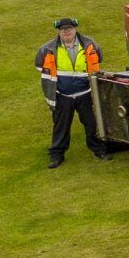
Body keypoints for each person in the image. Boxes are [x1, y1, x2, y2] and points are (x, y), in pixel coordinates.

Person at [35, 17, 113, 168]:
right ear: (59, 31)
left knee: (92, 124)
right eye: (63, 30)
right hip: (62, 95)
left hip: (86, 93)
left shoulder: (90, 44)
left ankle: (99, 150)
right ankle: (57, 155)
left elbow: (98, 60)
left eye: (69, 29)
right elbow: (40, 66)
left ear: (75, 29)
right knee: (61, 126)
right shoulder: (47, 49)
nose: (66, 32)